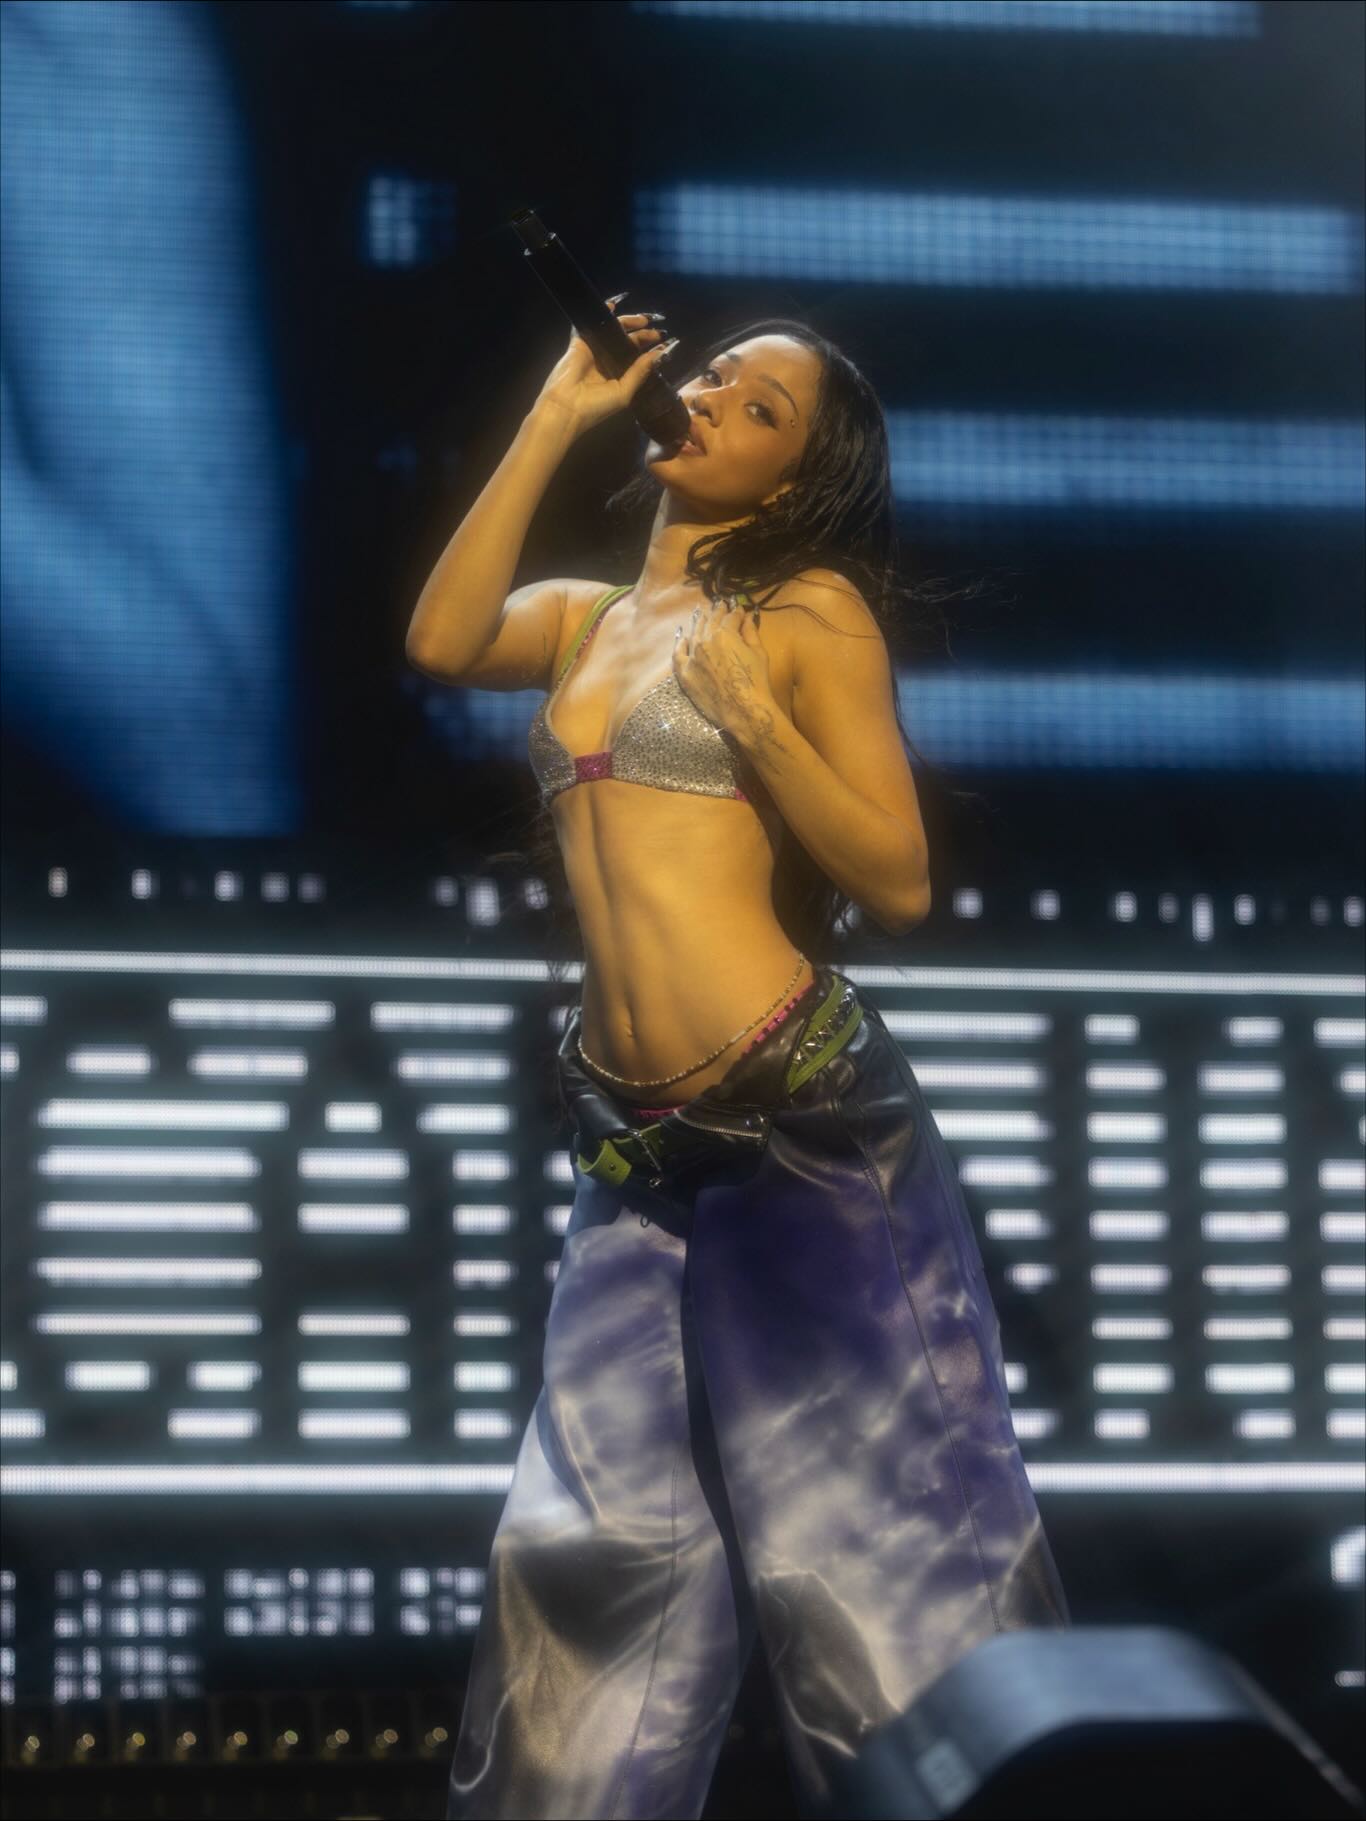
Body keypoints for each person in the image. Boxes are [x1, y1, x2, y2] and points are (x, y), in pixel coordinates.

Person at [407, 299, 1071, 1820]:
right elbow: (439, 639)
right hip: (634, 1148)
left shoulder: (807, 610)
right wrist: (559, 410)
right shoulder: (584, 618)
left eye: (759, 406)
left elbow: (897, 881)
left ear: (793, 479)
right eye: (712, 374)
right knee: (585, 1567)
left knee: (888, 1559)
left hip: (800, 1122)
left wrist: (757, 729)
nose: (708, 398)